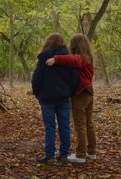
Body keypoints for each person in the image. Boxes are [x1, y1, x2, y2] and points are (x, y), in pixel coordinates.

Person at [46, 33, 96, 163]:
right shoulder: (89, 57)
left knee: (80, 125)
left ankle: (80, 155)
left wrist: (56, 59)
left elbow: (75, 60)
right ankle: (91, 153)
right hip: (90, 93)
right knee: (89, 124)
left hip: (81, 94)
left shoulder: (81, 58)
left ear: (75, 45)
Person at [32, 33, 79, 164]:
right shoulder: (68, 59)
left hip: (46, 99)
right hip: (63, 98)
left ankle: (50, 156)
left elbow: (36, 79)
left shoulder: (43, 59)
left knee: (50, 127)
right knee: (64, 126)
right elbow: (74, 78)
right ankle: (64, 155)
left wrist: (38, 94)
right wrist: (70, 91)